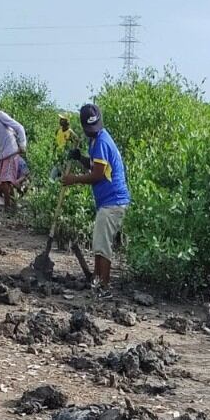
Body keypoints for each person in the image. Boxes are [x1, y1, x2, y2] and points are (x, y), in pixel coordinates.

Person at [62, 103, 131, 299]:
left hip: (113, 202)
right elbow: (95, 165)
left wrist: (73, 179)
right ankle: (98, 280)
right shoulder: (96, 140)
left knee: (102, 245)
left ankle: (104, 287)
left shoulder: (101, 141)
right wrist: (81, 158)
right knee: (100, 243)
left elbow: (98, 175)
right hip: (109, 202)